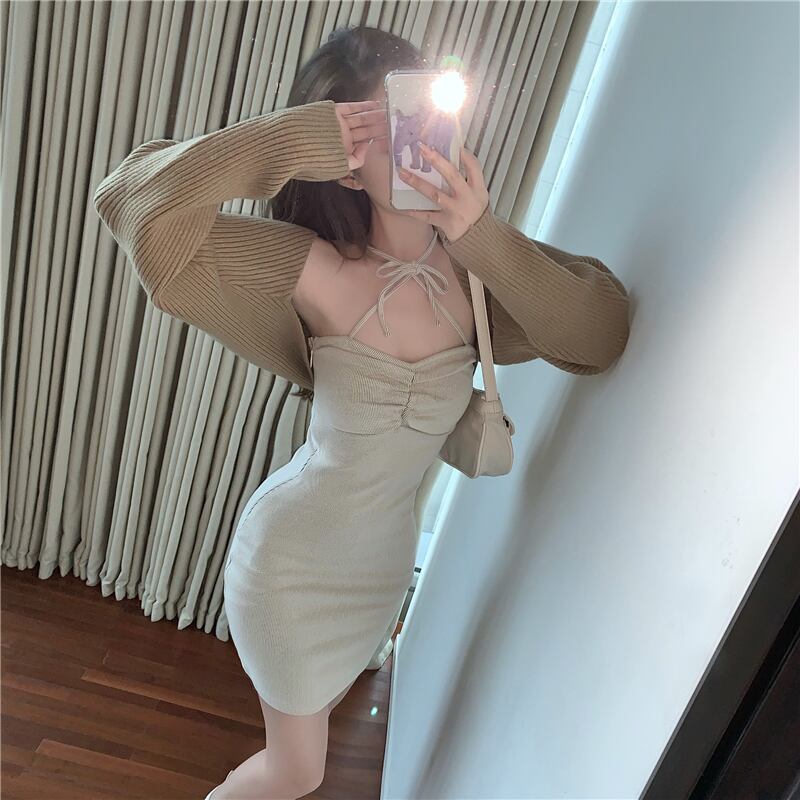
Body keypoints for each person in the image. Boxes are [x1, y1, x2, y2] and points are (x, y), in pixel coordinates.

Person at [93, 24, 630, 800]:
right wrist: (291, 141)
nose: (422, 142)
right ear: (344, 162)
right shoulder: (312, 270)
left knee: (300, 766)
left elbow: (601, 333)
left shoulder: (478, 277)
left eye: (424, 111)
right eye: (386, 127)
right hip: (289, 565)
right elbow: (132, 203)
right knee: (297, 770)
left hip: (378, 573)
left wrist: (481, 236)